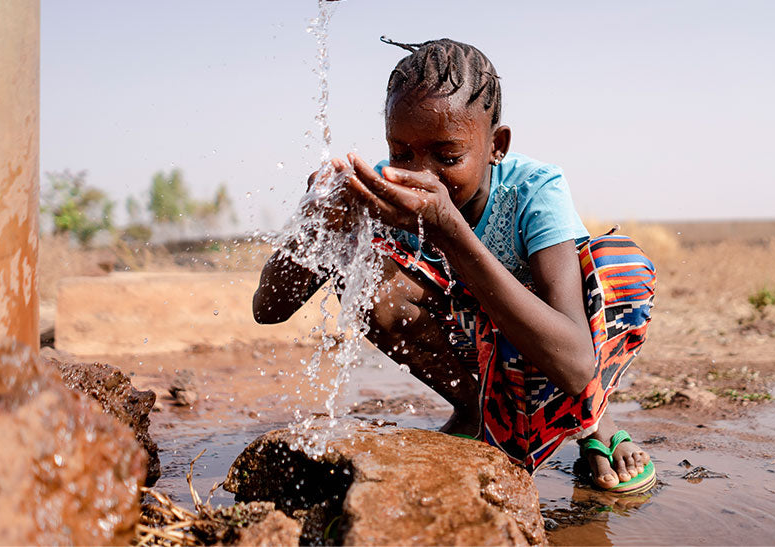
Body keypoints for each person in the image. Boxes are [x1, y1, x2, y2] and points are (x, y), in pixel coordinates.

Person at [253, 38, 656, 493]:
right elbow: (268, 309)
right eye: (402, 153)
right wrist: (316, 225)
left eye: (448, 158)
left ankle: (595, 420)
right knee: (365, 272)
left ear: (496, 146)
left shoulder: (533, 190)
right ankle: (475, 412)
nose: (422, 175)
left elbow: (576, 362)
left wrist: (449, 228)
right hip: (473, 343)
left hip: (548, 344)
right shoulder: (386, 190)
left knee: (616, 263)